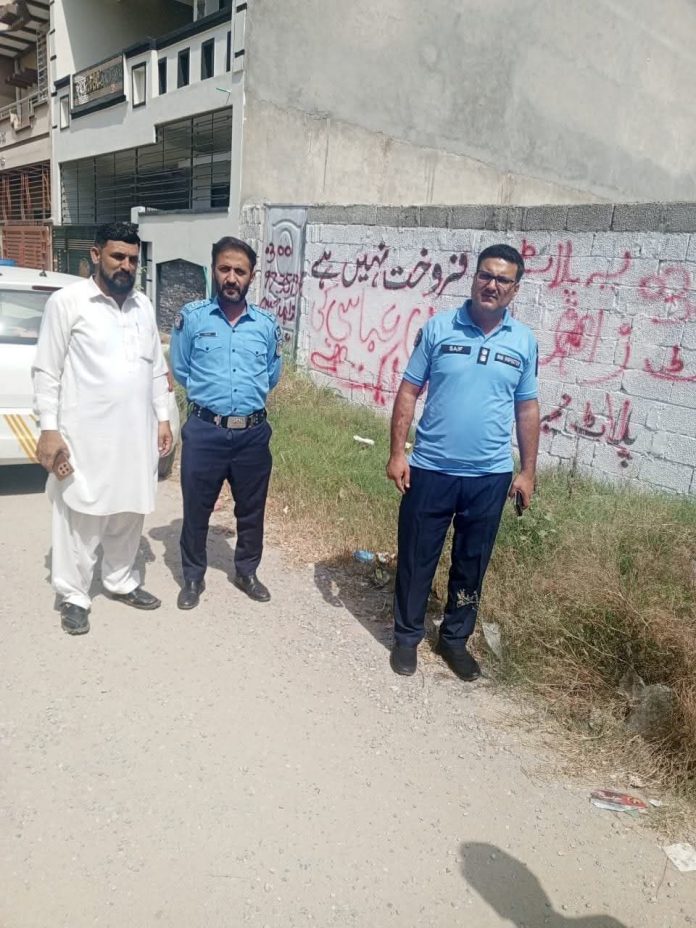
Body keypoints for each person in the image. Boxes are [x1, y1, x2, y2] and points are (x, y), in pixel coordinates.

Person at [386, 244, 539, 680]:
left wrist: (527, 472)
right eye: (485, 275)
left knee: (472, 563)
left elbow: (527, 408)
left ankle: (454, 640)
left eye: (503, 279)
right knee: (417, 557)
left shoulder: (524, 342)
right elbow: (408, 390)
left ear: (515, 288)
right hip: (430, 469)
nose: (492, 285)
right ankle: (406, 638)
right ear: (473, 278)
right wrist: (397, 453)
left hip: (489, 476)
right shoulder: (439, 328)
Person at [33, 222, 173, 635]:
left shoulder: (143, 306)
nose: (126, 265)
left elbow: (155, 369)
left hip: (136, 436)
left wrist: (163, 419)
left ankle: (120, 580)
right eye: (118, 256)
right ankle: (74, 595)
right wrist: (48, 429)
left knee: (129, 511)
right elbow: (47, 371)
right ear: (96, 255)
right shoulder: (68, 302)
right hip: (85, 437)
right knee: (80, 517)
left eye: (133, 259)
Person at [170, 236, 282, 610]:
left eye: (240, 271)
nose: (231, 278)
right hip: (205, 431)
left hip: (252, 433)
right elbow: (181, 369)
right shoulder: (192, 318)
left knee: (251, 510)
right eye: (224, 269)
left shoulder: (267, 324)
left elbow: (271, 374)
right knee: (196, 508)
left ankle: (247, 571)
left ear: (252, 276)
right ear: (213, 270)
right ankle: (192, 577)